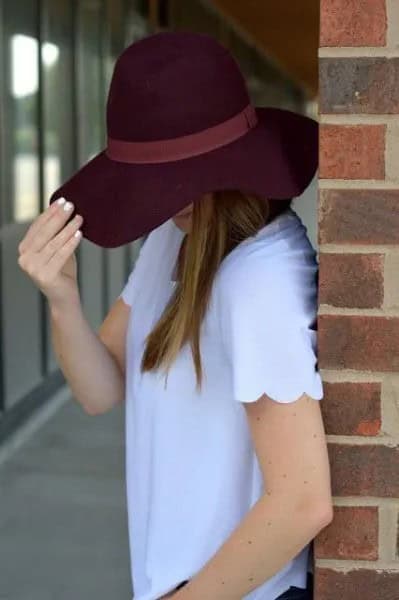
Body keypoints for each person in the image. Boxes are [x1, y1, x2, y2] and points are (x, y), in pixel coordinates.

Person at [18, 32, 333, 600]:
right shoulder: (175, 234)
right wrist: (61, 297)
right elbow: (101, 389)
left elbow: (301, 501)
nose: (158, 198)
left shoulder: (259, 279)